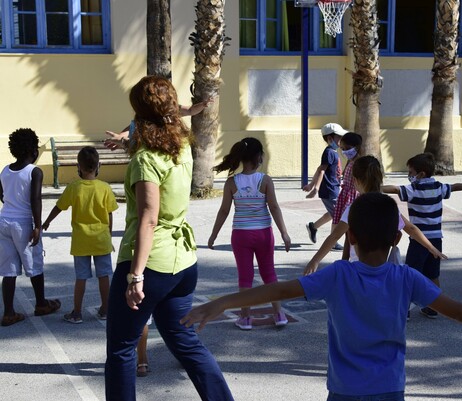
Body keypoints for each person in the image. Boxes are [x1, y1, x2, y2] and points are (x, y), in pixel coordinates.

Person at [181, 192, 462, 401]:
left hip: (344, 392)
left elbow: (280, 288)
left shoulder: (338, 275)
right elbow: (458, 311)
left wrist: (222, 302)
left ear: (351, 237)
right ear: (397, 239)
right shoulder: (407, 278)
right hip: (388, 389)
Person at [104, 76, 233, 401]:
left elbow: (148, 219)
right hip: (184, 262)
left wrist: (135, 277)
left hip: (153, 263)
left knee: (121, 348)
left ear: (140, 114)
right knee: (183, 340)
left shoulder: (146, 159)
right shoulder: (181, 149)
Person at [304, 155, 446, 276]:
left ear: (356, 180)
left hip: (359, 268)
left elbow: (334, 236)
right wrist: (430, 247)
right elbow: (411, 229)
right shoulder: (389, 205)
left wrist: (315, 260)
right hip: (381, 268)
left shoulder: (355, 207)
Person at [382, 152, 462, 319]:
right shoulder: (439, 187)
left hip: (419, 239)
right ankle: (434, 307)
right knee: (433, 274)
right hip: (436, 238)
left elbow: (393, 189)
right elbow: (455, 186)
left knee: (410, 273)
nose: (409, 176)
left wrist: (373, 188)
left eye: (411, 173)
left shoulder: (413, 189)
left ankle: (404, 309)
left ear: (421, 174)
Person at [209, 137, 291, 330]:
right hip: (263, 233)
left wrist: (213, 235)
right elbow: (274, 207)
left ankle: (245, 318)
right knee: (269, 273)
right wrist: (284, 233)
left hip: (241, 235)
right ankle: (279, 314)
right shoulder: (265, 180)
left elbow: (224, 211)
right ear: (259, 157)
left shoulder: (232, 182)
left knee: (244, 276)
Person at [42, 147, 118, 324]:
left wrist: (47, 222)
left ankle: (76, 313)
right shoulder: (105, 188)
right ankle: (105, 309)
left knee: (81, 277)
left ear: (79, 166)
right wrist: (109, 234)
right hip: (101, 240)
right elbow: (109, 214)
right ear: (98, 165)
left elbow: (59, 207)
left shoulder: (74, 187)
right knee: (104, 276)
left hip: (81, 240)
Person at [0, 128, 61, 327]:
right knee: (34, 264)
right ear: (32, 151)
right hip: (23, 223)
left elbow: (1, 193)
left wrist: (10, 204)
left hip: (4, 222)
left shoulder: (6, 170)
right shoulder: (34, 172)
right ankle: (41, 304)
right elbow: (35, 199)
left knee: (8, 269)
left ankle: (9, 313)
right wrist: (37, 225)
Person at [304, 123, 346, 250]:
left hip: (334, 188)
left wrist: (311, 184)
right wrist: (315, 188)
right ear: (330, 139)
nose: (341, 141)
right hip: (329, 190)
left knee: (333, 213)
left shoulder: (333, 152)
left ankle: (313, 227)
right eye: (339, 138)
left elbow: (319, 168)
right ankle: (333, 242)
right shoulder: (329, 152)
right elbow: (322, 170)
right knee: (337, 217)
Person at [330, 132, 362, 251]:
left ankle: (352, 252)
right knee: (346, 228)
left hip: (353, 197)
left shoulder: (359, 163)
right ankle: (346, 255)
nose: (344, 152)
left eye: (347, 149)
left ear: (356, 147)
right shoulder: (351, 161)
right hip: (346, 195)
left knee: (351, 227)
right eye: (342, 149)